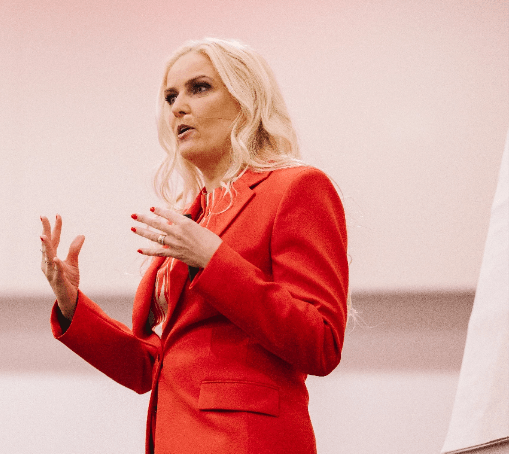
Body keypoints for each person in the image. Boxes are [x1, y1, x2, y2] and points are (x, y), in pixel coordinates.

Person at [40, 38, 349, 454]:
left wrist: (213, 260)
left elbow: (321, 344)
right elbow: (151, 368)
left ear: (246, 99)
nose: (177, 108)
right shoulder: (193, 216)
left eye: (199, 88)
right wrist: (71, 304)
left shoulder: (296, 187)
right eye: (170, 97)